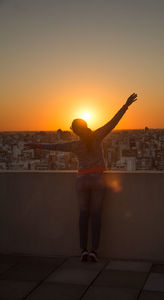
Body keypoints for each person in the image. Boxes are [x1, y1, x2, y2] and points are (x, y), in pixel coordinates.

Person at [24, 93, 137, 262]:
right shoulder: (97, 136)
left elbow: (55, 147)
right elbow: (113, 122)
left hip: (82, 180)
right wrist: (125, 105)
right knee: (97, 215)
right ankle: (94, 251)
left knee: (83, 215)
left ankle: (83, 250)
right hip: (98, 179)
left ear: (74, 130)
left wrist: (37, 145)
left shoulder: (74, 145)